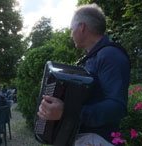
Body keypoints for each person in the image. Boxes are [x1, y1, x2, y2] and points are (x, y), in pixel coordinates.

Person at [37, 3, 130, 145]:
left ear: (82, 27)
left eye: (71, 29)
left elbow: (118, 107)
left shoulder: (110, 54)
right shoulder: (91, 58)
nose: (70, 34)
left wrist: (66, 112)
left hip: (99, 138)